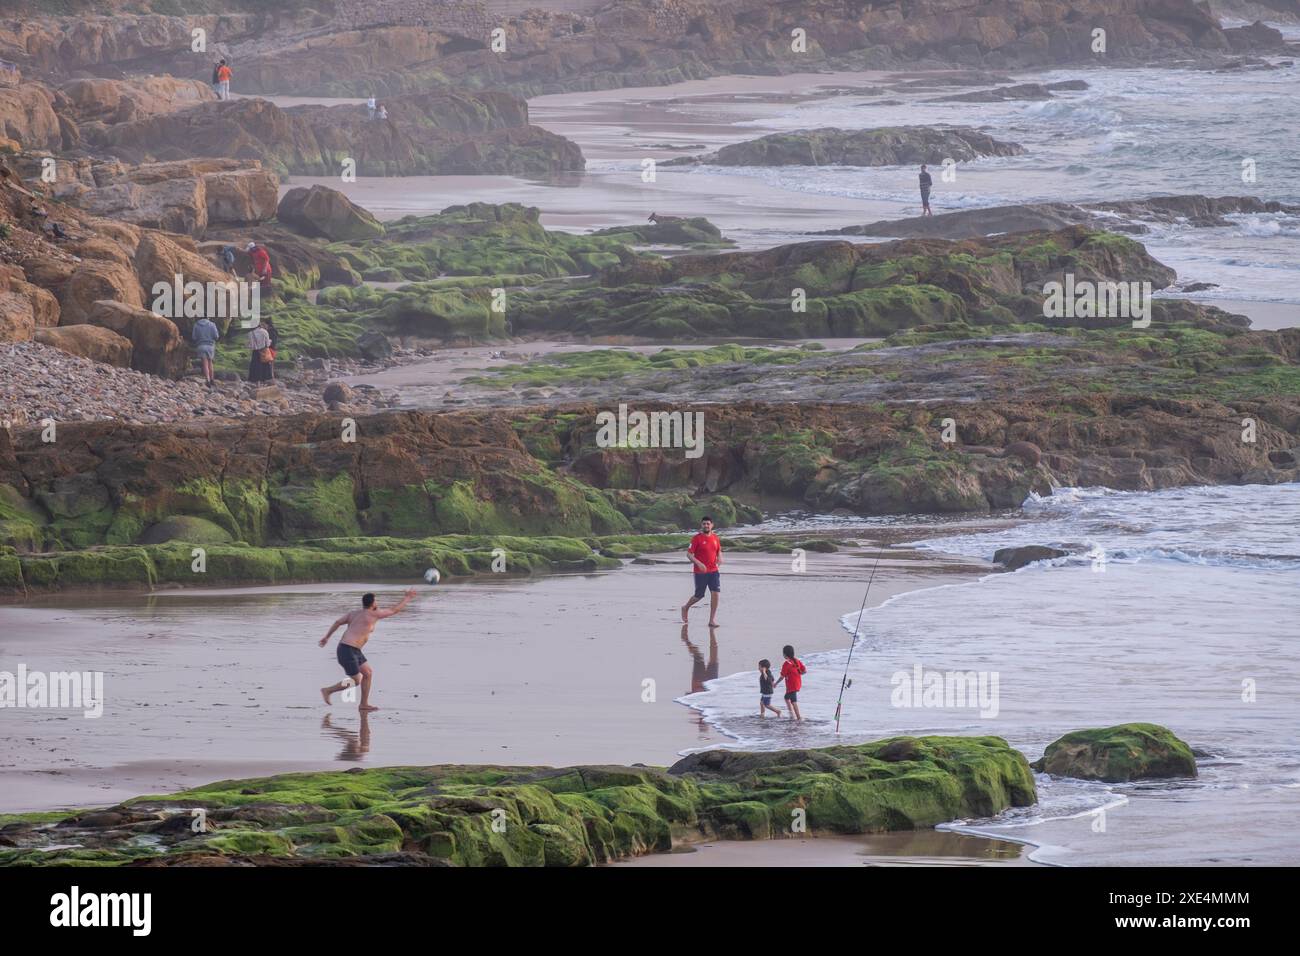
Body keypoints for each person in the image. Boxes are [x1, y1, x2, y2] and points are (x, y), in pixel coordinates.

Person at [318, 590, 418, 712]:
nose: (378, 603)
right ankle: (328, 690)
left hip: (353, 650)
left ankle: (363, 704)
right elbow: (394, 610)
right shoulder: (373, 614)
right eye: (376, 600)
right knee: (356, 680)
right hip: (347, 650)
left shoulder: (354, 613)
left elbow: (338, 622)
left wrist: (327, 637)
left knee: (368, 673)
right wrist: (407, 597)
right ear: (372, 604)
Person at [680, 515, 722, 627]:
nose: (706, 525)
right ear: (701, 525)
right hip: (700, 572)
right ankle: (685, 607)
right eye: (704, 524)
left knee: (716, 593)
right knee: (699, 595)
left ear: (712, 525)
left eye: (708, 523)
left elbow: (718, 551)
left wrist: (720, 558)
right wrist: (698, 563)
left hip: (714, 571)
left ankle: (712, 620)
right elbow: (689, 554)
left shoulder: (715, 538)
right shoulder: (696, 538)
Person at [774, 644, 806, 721]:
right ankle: (791, 714)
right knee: (786, 698)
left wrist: (776, 683)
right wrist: (797, 674)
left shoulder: (786, 664)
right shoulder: (797, 661)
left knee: (793, 701)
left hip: (792, 685)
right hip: (797, 683)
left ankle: (798, 717)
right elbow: (804, 671)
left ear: (785, 654)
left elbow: (782, 676)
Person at [192, 315, 220, 387]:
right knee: (210, 362)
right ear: (208, 317)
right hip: (210, 346)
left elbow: (194, 337)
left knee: (205, 363)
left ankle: (207, 380)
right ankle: (212, 380)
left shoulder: (196, 325)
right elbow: (216, 336)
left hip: (201, 346)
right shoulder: (212, 324)